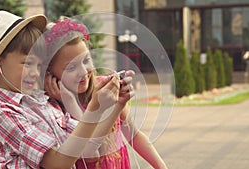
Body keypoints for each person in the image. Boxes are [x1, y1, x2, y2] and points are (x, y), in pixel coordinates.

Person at [0, 11, 131, 169]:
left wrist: (116, 105)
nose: (35, 72)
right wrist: (94, 108)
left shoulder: (44, 102)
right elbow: (57, 163)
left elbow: (90, 147)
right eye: (27, 63)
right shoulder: (4, 113)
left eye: (38, 65)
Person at [43, 17, 168, 169]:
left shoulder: (106, 89)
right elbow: (91, 146)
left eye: (86, 60)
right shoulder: (53, 110)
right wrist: (70, 103)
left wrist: (161, 166)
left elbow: (134, 135)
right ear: (49, 74)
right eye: (71, 67)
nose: (83, 72)